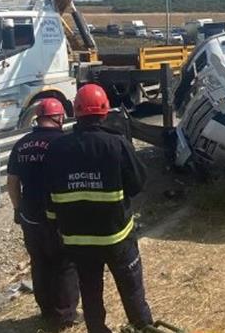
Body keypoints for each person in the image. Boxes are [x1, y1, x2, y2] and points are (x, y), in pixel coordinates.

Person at [45, 84, 153, 332]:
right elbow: (138, 183)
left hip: (78, 241)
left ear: (76, 112)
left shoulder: (58, 149)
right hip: (117, 237)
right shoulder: (116, 144)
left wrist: (56, 227)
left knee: (91, 292)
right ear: (105, 110)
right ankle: (144, 328)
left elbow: (49, 196)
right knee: (132, 289)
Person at [7, 98, 80, 329]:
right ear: (59, 118)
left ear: (38, 118)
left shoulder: (21, 144)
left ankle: (46, 310)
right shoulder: (65, 142)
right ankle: (66, 315)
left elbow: (12, 182)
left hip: (30, 214)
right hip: (59, 215)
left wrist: (17, 209)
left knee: (39, 263)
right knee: (65, 264)